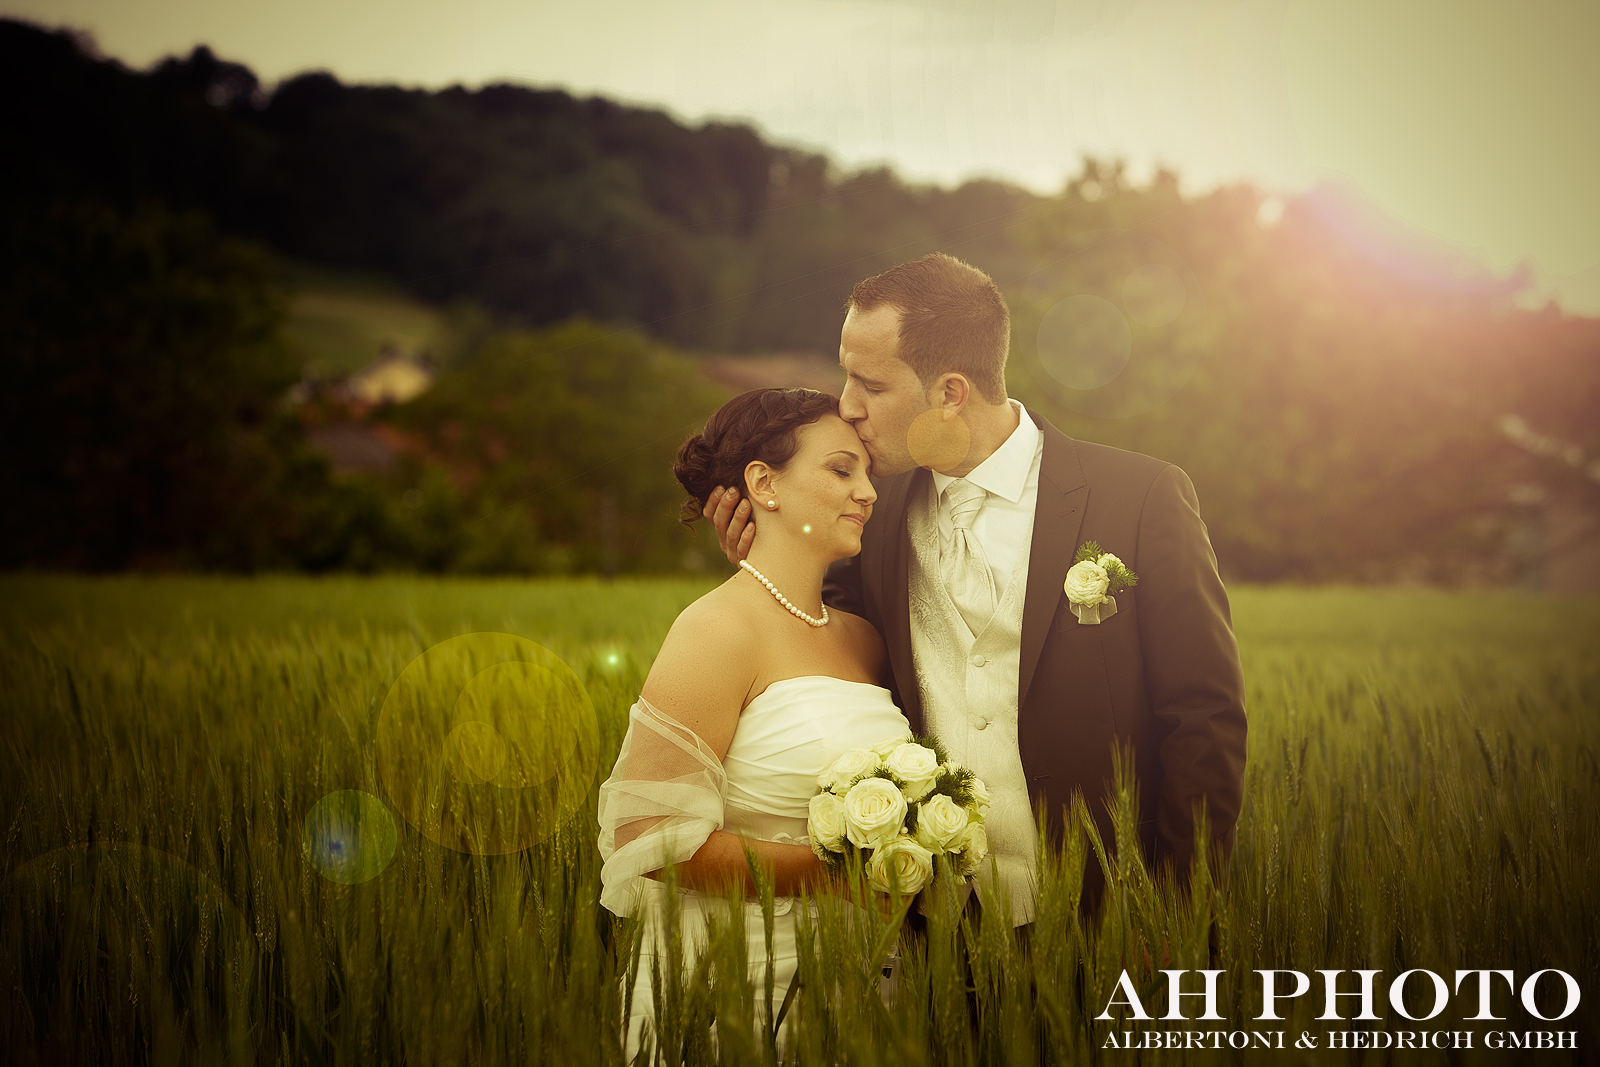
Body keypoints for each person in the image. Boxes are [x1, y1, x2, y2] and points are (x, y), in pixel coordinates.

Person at [705, 252, 1248, 931]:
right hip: (931, 930)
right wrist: (770, 557)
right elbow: (820, 655)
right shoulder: (863, 516)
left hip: (1110, 919)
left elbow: (1203, 721)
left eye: (869, 383)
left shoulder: (1141, 498)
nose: (846, 406)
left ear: (951, 393)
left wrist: (1177, 914)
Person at [596, 387, 911, 1059]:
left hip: (868, 986)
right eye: (840, 469)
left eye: (867, 473)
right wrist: (835, 872)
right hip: (741, 987)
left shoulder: (864, 640)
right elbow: (652, 837)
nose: (867, 493)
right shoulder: (715, 630)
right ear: (764, 483)